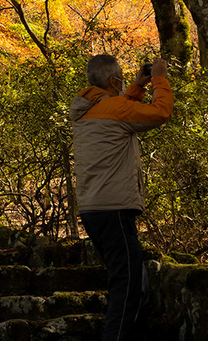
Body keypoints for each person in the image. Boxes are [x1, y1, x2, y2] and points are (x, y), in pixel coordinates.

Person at [71, 55, 173, 341]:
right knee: (126, 286)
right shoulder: (113, 108)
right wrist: (159, 79)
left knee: (134, 284)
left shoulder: (89, 108)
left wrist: (136, 87)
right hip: (114, 209)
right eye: (121, 79)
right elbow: (161, 112)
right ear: (114, 81)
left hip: (95, 210)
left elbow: (118, 109)